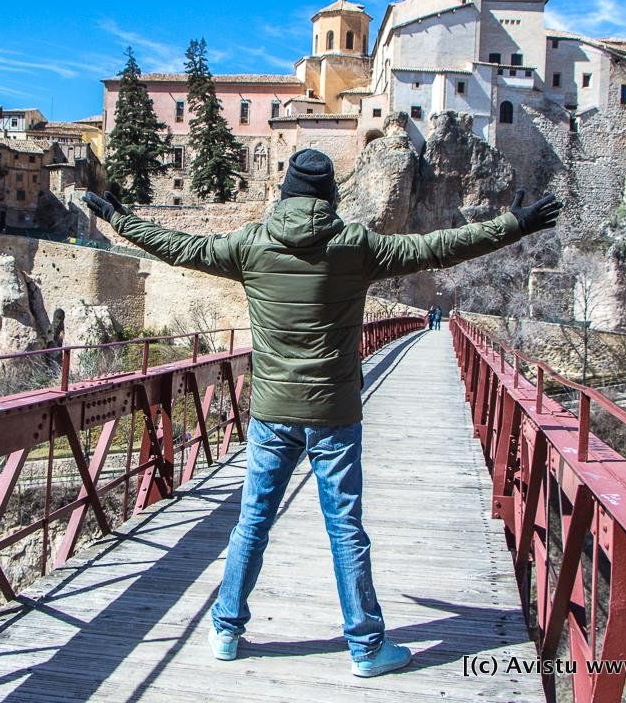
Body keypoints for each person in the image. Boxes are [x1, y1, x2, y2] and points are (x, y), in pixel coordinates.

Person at [83, 148, 561, 678]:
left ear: (285, 191)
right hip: (334, 410)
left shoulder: (250, 245)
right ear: (332, 194)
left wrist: (118, 218)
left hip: (271, 411)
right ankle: (365, 646)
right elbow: (437, 248)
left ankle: (226, 628)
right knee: (345, 527)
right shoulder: (355, 246)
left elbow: (175, 246)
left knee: (252, 521)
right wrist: (512, 226)